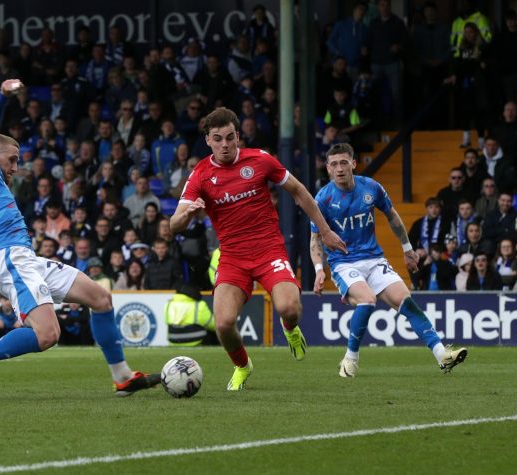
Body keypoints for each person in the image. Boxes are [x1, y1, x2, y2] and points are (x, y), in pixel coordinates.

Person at [0, 79, 160, 396]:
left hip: (27, 259)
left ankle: (122, 376)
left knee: (101, 299)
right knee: (47, 335)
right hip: (10, 258)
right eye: (11, 159)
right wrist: (2, 97)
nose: (16, 166)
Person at [171, 107, 348, 390]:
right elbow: (173, 225)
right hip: (232, 258)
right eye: (218, 139)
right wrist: (187, 214)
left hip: (269, 252)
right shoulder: (200, 174)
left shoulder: (261, 160)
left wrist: (325, 230)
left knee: (289, 308)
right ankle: (242, 365)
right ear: (207, 140)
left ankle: (290, 330)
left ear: (239, 136)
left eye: (230, 137)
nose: (225, 144)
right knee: (224, 323)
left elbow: (299, 191)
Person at [310, 143, 467, 378]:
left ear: (353, 163)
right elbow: (315, 239)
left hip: (374, 259)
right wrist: (319, 269)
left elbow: (392, 216)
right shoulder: (322, 199)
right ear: (328, 169)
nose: (340, 168)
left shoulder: (371, 187)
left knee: (406, 301)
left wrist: (407, 249)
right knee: (368, 299)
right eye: (334, 164)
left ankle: (442, 355)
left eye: (344, 162)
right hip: (344, 263)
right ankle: (350, 359)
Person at [165, 282, 217, 346]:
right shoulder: (199, 305)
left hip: (173, 340)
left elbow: (167, 322)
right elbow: (213, 326)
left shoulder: (169, 304)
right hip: (196, 340)